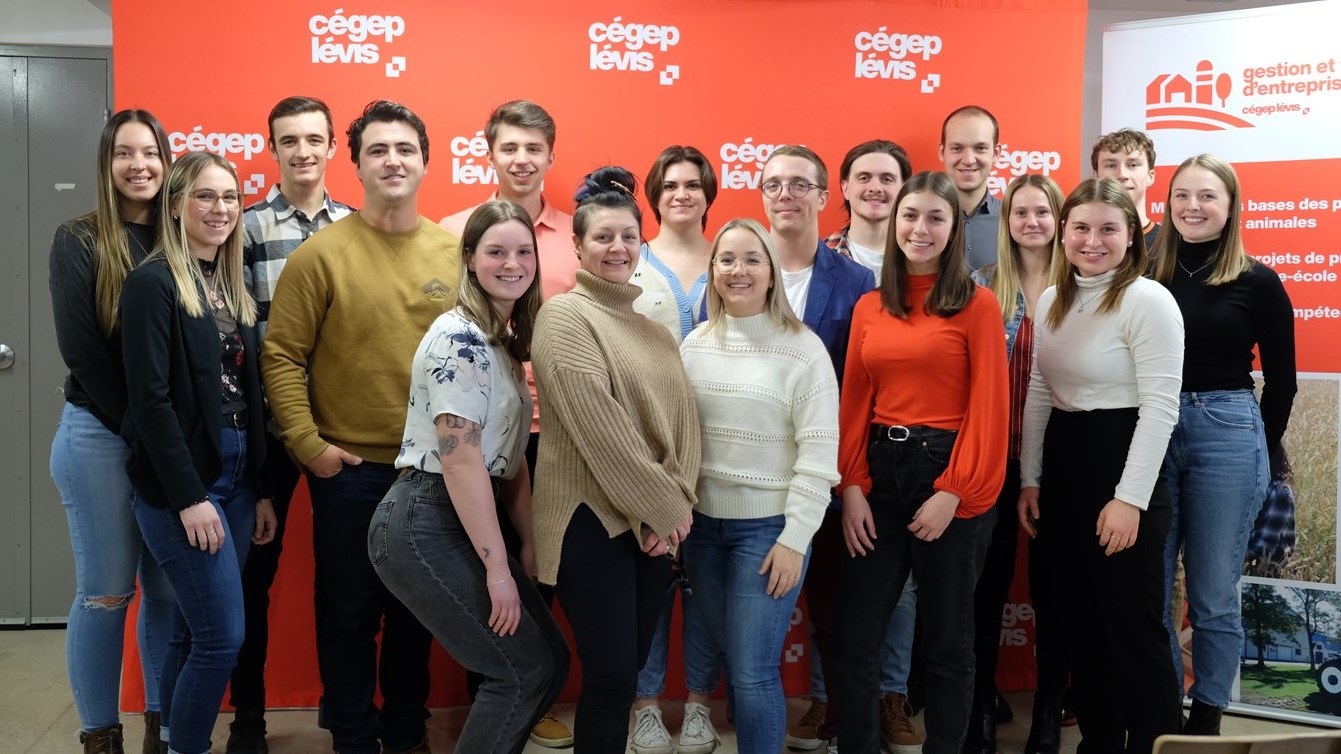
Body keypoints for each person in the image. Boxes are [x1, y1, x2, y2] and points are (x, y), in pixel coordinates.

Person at [262, 100, 460, 754]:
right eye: (377, 150)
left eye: (405, 149)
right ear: (356, 163)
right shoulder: (320, 255)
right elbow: (281, 356)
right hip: (347, 473)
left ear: (425, 162)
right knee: (347, 615)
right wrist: (308, 446)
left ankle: (406, 733)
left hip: (431, 472)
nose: (392, 161)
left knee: (415, 614)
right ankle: (351, 736)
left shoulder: (453, 254)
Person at [370, 201, 570, 754]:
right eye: (496, 251)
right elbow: (460, 460)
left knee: (550, 661)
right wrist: (498, 568)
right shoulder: (458, 337)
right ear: (469, 259)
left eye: (524, 251)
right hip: (423, 520)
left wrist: (529, 541)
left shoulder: (501, 340)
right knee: (518, 672)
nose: (512, 263)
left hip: (464, 514)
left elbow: (511, 456)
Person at [832, 171, 1008, 754]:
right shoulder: (869, 307)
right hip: (878, 474)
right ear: (894, 223)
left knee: (948, 643)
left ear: (955, 228)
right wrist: (852, 485)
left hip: (948, 472)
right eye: (910, 215)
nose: (920, 228)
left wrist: (953, 491)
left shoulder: (978, 306)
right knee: (854, 639)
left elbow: (990, 406)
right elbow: (855, 402)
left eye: (936, 217)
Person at [531, 166, 700, 754]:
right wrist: (665, 510)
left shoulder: (654, 332)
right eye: (602, 237)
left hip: (655, 528)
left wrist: (675, 508)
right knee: (608, 679)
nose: (617, 247)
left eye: (629, 236)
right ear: (577, 246)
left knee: (626, 676)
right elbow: (602, 433)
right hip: (589, 521)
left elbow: (685, 427)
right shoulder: (564, 317)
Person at [1019, 178, 1184, 754]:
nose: (1093, 241)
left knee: (1132, 626)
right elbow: (1040, 391)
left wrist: (1129, 498)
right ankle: (1102, 740)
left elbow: (1161, 407)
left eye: (1108, 228)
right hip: (1065, 466)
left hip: (1125, 463)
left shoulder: (1149, 300)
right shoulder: (1052, 299)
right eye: (1081, 228)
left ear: (1131, 235)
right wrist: (1031, 478)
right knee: (1079, 621)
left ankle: (1158, 744)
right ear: (1063, 234)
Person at [120, 150, 275, 754]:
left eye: (230, 197)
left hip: (236, 477)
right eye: (205, 196)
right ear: (176, 205)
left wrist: (260, 487)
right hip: (184, 484)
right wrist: (189, 497)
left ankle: (169, 742)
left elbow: (247, 396)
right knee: (221, 639)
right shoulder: (152, 283)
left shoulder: (227, 284)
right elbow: (150, 403)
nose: (221, 208)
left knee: (191, 632)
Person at [438, 99, 576, 749]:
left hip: (557, 432)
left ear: (550, 155)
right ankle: (494, 697)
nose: (521, 159)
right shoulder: (454, 230)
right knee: (483, 566)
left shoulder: (576, 235)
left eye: (533, 148)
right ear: (489, 153)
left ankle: (531, 695)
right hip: (483, 433)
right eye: (509, 147)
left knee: (540, 563)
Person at [680, 218, 841, 754]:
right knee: (734, 661)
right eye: (726, 259)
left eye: (752, 259)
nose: (738, 270)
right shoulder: (694, 345)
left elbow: (819, 456)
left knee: (752, 673)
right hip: (702, 530)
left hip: (768, 531)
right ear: (712, 271)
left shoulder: (804, 350)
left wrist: (796, 539)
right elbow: (681, 443)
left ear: (772, 273)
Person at [1151, 155, 1297, 735]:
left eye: (1207, 196)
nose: (1192, 206)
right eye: (1182, 195)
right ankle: (1164, 712)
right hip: (1152, 429)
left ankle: (1207, 717)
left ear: (1231, 206)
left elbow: (1282, 382)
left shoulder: (1258, 280)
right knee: (1152, 591)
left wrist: (1259, 446)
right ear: (1168, 202)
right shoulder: (1144, 272)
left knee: (1212, 592)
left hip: (1228, 433)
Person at [49, 108, 176, 754]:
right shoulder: (78, 239)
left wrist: (168, 439)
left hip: (166, 441)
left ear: (166, 160)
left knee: (166, 592)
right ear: (107, 162)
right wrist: (145, 430)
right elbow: (83, 353)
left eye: (150, 152)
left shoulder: (182, 237)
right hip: (100, 434)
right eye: (125, 153)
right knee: (105, 592)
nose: (139, 165)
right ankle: (101, 737)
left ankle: (160, 729)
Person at [230, 94, 353, 754]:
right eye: (289, 140)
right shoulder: (245, 229)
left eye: (313, 139)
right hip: (270, 436)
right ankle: (248, 719)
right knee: (253, 582)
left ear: (332, 146)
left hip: (342, 432)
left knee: (344, 583)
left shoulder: (357, 227)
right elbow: (240, 337)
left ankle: (343, 708)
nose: (302, 151)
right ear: (271, 148)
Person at [795, 139, 923, 754]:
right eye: (863, 177)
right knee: (829, 575)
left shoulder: (923, 257)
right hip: (829, 440)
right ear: (842, 189)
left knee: (900, 583)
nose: (876, 188)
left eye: (888, 178)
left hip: (903, 446)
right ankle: (830, 696)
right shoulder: (820, 259)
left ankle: (890, 695)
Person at [629, 145, 724, 754]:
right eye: (670, 185)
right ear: (654, 195)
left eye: (693, 184)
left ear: (709, 192)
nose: (682, 194)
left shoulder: (732, 256)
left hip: (720, 444)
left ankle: (698, 705)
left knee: (706, 586)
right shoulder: (632, 260)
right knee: (650, 580)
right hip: (648, 448)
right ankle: (644, 705)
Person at [968, 174, 1064, 754]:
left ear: (1059, 220)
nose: (1031, 222)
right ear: (1006, 222)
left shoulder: (1081, 287)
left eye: (1042, 212)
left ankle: (1048, 709)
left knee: (1055, 590)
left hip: (1062, 463)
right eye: (1020, 212)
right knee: (985, 588)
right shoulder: (982, 287)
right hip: (995, 462)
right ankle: (980, 704)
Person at [939, 106, 1001, 270]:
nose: (968, 160)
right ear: (942, 152)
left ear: (996, 154)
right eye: (957, 148)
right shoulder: (920, 221)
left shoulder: (1013, 221)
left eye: (980, 148)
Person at [1092, 128, 1161, 249]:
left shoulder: (1170, 244)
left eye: (1133, 165)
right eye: (1111, 165)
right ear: (1095, 176)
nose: (1122, 175)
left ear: (1150, 176)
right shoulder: (1082, 243)